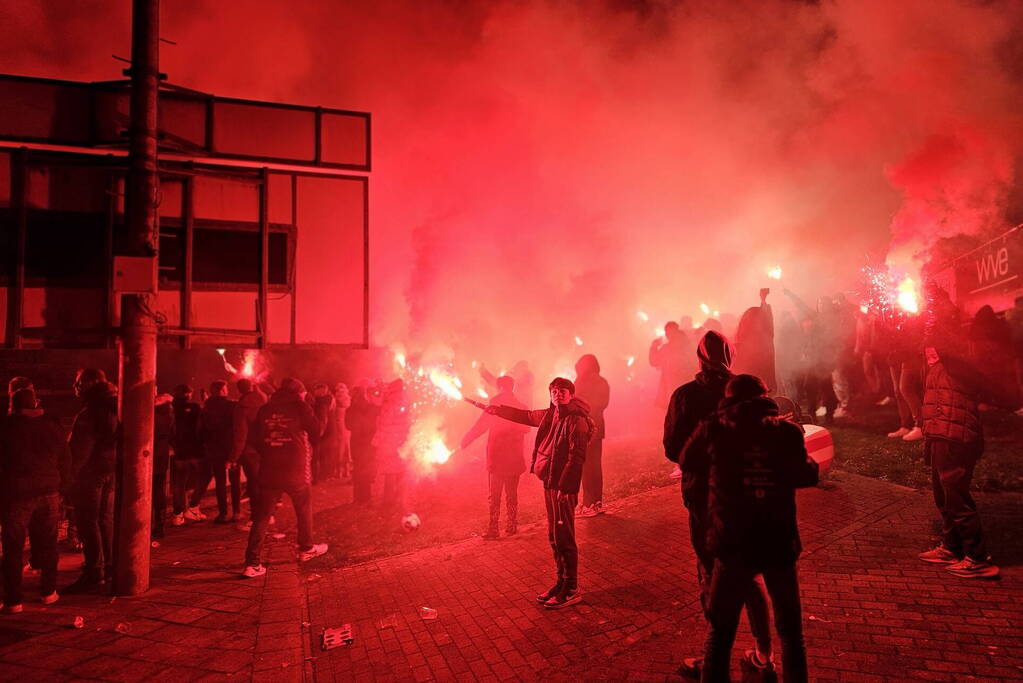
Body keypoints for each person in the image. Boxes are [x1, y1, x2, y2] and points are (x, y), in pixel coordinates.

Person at [686, 374, 817, 682]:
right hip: (778, 541)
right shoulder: (785, 431)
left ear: (728, 400)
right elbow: (806, 475)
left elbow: (687, 459)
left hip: (733, 543)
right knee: (791, 633)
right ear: (765, 396)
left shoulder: (715, 430)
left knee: (721, 632)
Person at [664, 331, 775, 678]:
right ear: (731, 356)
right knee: (747, 572)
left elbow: (672, 448)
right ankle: (763, 654)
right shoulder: (747, 393)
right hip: (743, 496)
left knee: (712, 574)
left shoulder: (686, 395)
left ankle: (714, 659)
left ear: (699, 359)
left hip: (703, 497)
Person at [917, 285, 1013, 579]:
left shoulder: (958, 358)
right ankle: (952, 546)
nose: (928, 342)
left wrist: (937, 301)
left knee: (956, 497)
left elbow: (945, 333)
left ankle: (978, 557)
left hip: (956, 437)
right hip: (941, 434)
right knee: (943, 495)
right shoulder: (937, 363)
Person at [485, 377, 594, 609]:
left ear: (571, 394)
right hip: (550, 483)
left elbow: (577, 458)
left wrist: (567, 489)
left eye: (562, 391)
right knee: (554, 536)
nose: (557, 394)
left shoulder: (577, 420)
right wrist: (497, 410)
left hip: (563, 488)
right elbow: (524, 416)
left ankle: (571, 588)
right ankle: (560, 583)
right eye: (554, 391)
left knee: (564, 537)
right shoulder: (549, 414)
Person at [243, 377, 327, 578]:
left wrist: (271, 448)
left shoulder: (265, 408)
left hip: (270, 468)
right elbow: (318, 431)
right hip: (295, 469)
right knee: (303, 508)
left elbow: (254, 439)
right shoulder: (300, 406)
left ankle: (251, 563)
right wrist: (320, 408)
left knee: (262, 516)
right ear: (300, 392)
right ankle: (306, 549)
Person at [0, 388, 70, 612]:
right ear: (35, 404)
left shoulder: (6, 427)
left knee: (13, 547)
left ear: (13, 404)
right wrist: (63, 488)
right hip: (48, 492)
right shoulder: (52, 426)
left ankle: (13, 601)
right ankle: (48, 592)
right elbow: (65, 459)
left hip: (16, 494)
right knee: (49, 543)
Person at [65, 369, 118, 594]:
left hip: (92, 472)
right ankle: (110, 566)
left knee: (87, 521)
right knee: (105, 520)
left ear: (87, 384)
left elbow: (80, 452)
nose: (75, 387)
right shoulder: (115, 405)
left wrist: (68, 478)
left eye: (77, 383)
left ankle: (94, 571)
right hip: (111, 469)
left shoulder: (90, 413)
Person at [460, 375, 529, 539]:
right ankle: (512, 526)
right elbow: (527, 429)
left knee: (495, 494)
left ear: (499, 387)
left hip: (497, 457)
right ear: (512, 387)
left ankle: (493, 528)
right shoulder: (521, 406)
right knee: (512, 493)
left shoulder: (494, 406)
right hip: (514, 457)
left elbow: (481, 426)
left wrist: (466, 440)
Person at [196, 380, 239, 523]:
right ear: (221, 390)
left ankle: (223, 513)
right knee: (234, 481)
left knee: (220, 481)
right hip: (230, 448)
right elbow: (237, 426)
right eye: (225, 388)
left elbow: (201, 430)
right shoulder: (231, 406)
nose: (227, 391)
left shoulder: (206, 408)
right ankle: (237, 512)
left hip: (214, 448)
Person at [573, 354, 610, 517]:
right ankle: (597, 502)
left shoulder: (580, 382)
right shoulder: (602, 381)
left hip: (583, 427)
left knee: (585, 466)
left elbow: (574, 403)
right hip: (598, 427)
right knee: (595, 464)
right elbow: (603, 404)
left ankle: (588, 504)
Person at [230, 378, 268, 529]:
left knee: (253, 484)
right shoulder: (264, 401)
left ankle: (256, 519)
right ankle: (267, 515)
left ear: (239, 390)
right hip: (264, 448)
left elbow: (240, 434)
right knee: (262, 482)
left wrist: (233, 456)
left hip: (249, 451)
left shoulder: (242, 407)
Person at [373, 380, 412, 509]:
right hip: (402, 441)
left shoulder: (390, 403)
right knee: (400, 470)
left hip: (390, 441)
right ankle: (401, 499)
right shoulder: (406, 402)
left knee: (390, 471)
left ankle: (388, 502)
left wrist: (377, 440)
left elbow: (384, 423)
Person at [170, 384, 205, 525]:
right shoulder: (195, 407)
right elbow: (201, 425)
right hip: (195, 449)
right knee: (204, 476)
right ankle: (193, 507)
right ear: (188, 394)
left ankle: (177, 515)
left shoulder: (171, 408)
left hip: (180, 450)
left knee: (179, 482)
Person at [732, 288, 777, 393]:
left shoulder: (763, 338)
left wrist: (763, 302)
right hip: (752, 384)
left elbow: (768, 323)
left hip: (754, 384)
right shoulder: (746, 340)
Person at [346, 382, 380, 504]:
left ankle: (358, 498)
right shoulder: (373, 407)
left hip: (356, 442)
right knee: (366, 468)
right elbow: (377, 423)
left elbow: (348, 425)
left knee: (358, 468)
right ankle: (366, 496)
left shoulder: (351, 409)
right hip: (369, 442)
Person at [152, 391, 175, 539]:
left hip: (150, 456)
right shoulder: (171, 415)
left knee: (149, 492)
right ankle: (160, 526)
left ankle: (149, 524)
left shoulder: (152, 415)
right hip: (162, 456)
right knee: (159, 491)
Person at [309, 383, 339, 483]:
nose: (315, 392)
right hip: (330, 428)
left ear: (322, 390)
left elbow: (323, 417)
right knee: (327, 452)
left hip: (325, 429)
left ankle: (324, 474)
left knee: (324, 452)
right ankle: (327, 474)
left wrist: (320, 431)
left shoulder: (322, 402)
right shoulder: (329, 399)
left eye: (317, 390)